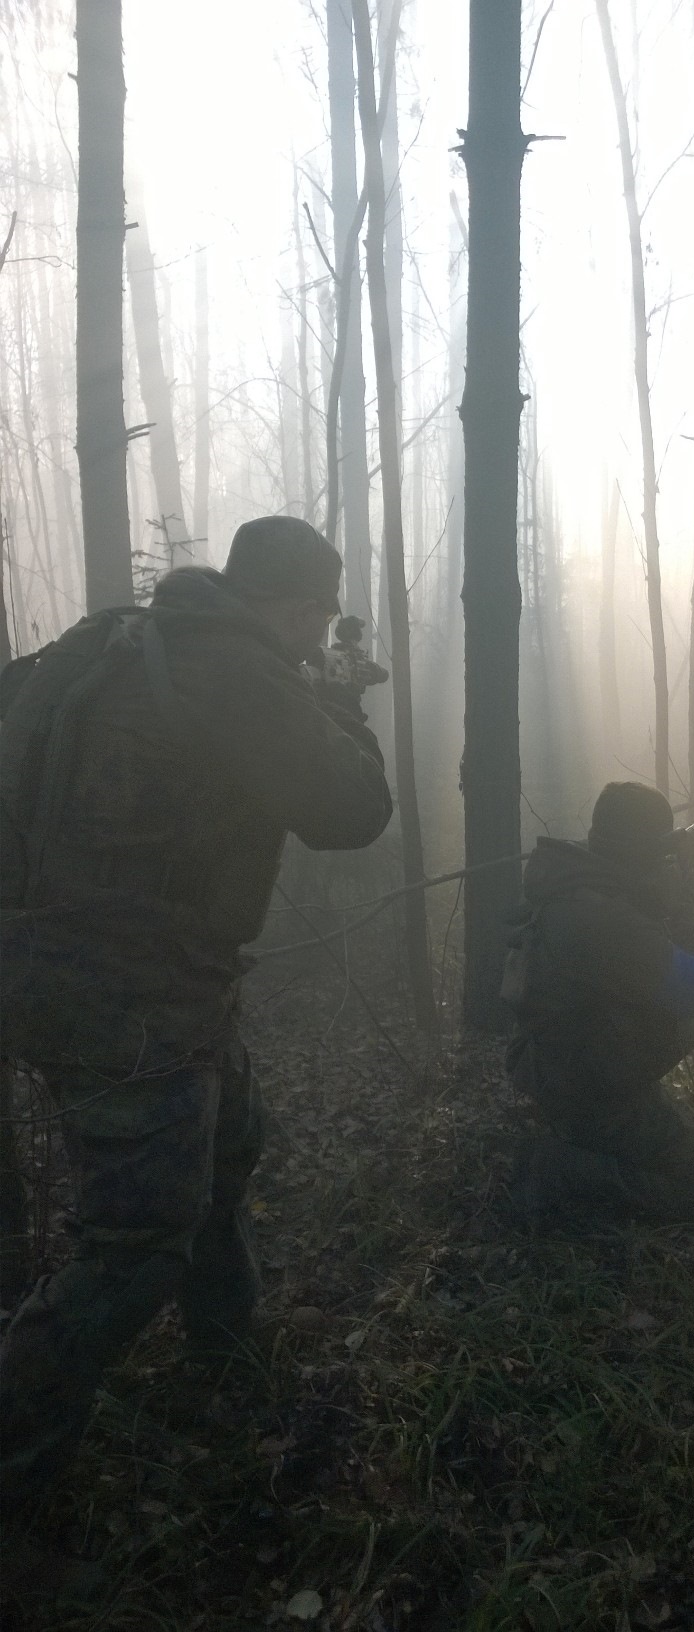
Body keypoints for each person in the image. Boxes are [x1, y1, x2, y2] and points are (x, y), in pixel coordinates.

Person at [0, 515, 393, 1513]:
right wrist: (343, 709)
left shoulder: (134, 640)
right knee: (136, 1249)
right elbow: (351, 812)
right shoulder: (238, 670)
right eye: (319, 621)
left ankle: (221, 1353)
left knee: (230, 1146)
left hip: (86, 970)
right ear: (302, 608)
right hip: (126, 993)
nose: (318, 640)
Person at [502, 781, 694, 1227]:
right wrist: (686, 891)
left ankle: (579, 1151)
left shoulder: (582, 879)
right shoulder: (598, 917)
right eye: (660, 850)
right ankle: (557, 1171)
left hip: (567, 1061)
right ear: (641, 853)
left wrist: (682, 868)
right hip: (582, 1086)